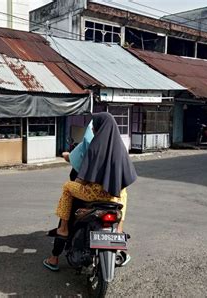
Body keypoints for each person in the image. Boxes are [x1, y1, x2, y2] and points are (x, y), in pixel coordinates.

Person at [43, 112, 137, 271]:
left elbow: (82, 177)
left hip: (93, 195)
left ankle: (63, 228)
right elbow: (126, 178)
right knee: (125, 193)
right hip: (114, 197)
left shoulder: (95, 146)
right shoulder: (121, 148)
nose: (93, 129)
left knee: (67, 187)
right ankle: (119, 229)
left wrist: (80, 184)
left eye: (95, 126)